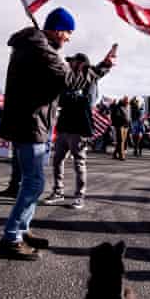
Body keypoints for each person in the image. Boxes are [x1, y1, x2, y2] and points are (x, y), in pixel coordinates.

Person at [0, 7, 115, 260]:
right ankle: (11, 237)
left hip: (30, 123)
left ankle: (22, 229)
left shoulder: (33, 45)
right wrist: (102, 67)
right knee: (34, 183)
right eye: (68, 33)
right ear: (58, 30)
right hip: (30, 125)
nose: (69, 38)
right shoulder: (40, 49)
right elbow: (71, 81)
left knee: (32, 181)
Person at [43, 52, 96, 209]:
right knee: (57, 160)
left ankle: (80, 196)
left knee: (79, 163)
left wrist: (71, 96)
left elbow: (89, 102)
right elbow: (60, 100)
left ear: (81, 64)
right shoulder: (67, 80)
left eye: (73, 61)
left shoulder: (90, 81)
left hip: (79, 129)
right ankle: (58, 191)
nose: (70, 64)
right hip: (64, 126)